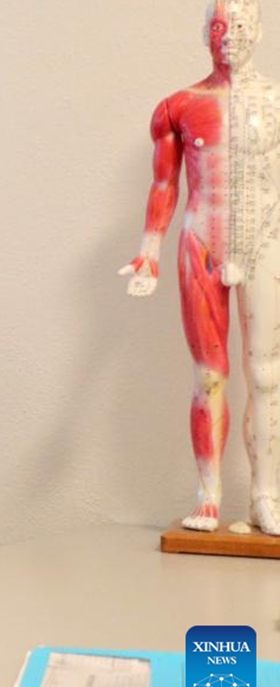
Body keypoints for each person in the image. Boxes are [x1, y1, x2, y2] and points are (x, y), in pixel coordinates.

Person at [119, 0, 280, 536]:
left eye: (238, 25)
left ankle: (265, 495)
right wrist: (149, 249)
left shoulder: (277, 101)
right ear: (203, 35)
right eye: (217, 26)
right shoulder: (179, 105)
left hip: (265, 243)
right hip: (201, 243)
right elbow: (165, 184)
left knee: (266, 376)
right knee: (209, 376)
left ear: (256, 30)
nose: (227, 36)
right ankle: (208, 495)